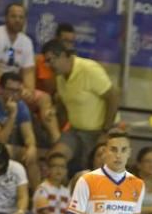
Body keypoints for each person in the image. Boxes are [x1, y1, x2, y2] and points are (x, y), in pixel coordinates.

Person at [42, 40, 120, 175]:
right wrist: (54, 110)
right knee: (55, 158)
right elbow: (64, 102)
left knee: (91, 172)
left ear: (63, 56)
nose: (48, 65)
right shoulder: (60, 77)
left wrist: (106, 131)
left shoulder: (89, 69)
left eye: (50, 60)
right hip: (75, 131)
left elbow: (112, 97)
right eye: (46, 62)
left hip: (99, 131)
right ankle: (59, 194)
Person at [0, 72, 41, 189]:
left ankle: (38, 198)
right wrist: (12, 115)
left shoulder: (21, 106)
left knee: (31, 155)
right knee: (7, 149)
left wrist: (31, 147)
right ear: (1, 89)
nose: (15, 95)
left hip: (13, 147)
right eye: (11, 90)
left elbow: (28, 135)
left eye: (18, 91)